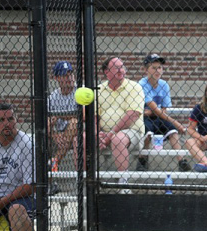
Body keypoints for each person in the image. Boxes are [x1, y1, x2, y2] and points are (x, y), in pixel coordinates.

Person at [75, 57, 144, 192]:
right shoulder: (99, 89)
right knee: (81, 138)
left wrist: (111, 134)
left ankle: (123, 184)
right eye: (116, 67)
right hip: (104, 132)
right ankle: (84, 181)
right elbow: (94, 116)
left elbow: (132, 115)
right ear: (106, 72)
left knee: (118, 139)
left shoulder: (134, 87)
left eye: (122, 67)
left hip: (131, 131)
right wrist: (95, 133)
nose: (121, 70)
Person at [0, 103, 35, 231]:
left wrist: (1, 202)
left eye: (10, 119)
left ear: (16, 121)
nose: (7, 123)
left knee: (16, 210)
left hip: (19, 196)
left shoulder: (26, 143)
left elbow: (29, 186)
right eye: (1, 120)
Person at [135, 54, 190, 172]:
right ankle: (142, 159)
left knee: (172, 131)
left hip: (158, 117)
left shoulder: (164, 84)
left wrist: (156, 112)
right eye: (153, 68)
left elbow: (163, 109)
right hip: (145, 118)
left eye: (159, 68)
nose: (157, 71)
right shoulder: (142, 84)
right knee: (147, 132)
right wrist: (176, 122)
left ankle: (182, 161)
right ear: (146, 70)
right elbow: (154, 109)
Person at [48, 61, 78, 173]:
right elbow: (47, 121)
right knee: (47, 125)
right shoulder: (53, 97)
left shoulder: (80, 91)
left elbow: (83, 116)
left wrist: (59, 115)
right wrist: (54, 135)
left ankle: (55, 161)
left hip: (78, 130)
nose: (69, 77)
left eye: (70, 74)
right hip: (60, 132)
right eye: (65, 75)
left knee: (75, 122)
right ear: (56, 78)